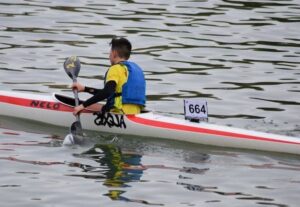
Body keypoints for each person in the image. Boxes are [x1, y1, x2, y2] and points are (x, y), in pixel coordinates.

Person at [72, 37, 146, 115]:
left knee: (89, 106)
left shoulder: (115, 69)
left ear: (114, 53)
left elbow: (107, 92)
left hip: (119, 113)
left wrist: (82, 106)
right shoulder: (137, 70)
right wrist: (84, 89)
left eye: (110, 52)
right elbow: (112, 93)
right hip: (136, 113)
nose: (109, 55)